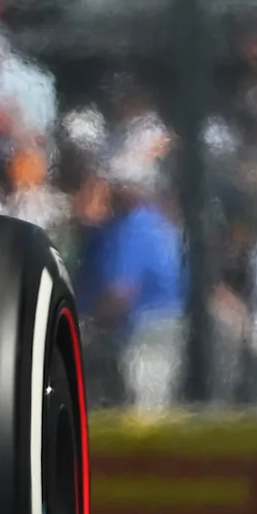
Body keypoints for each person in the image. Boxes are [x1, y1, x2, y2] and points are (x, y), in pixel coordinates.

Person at [80, 177, 187, 413]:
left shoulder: (133, 225)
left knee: (144, 414)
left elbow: (121, 291)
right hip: (167, 324)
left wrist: (88, 322)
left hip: (147, 329)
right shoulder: (161, 223)